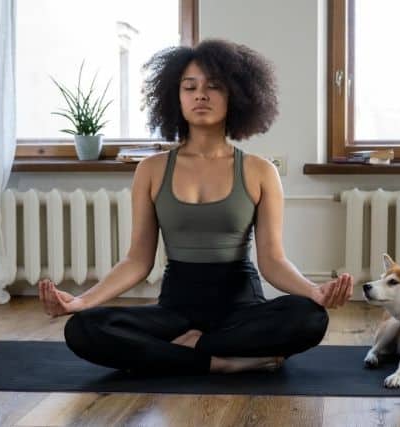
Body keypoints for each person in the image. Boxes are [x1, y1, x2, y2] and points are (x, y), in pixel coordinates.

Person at [38, 39, 354, 375]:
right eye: (190, 87)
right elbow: (137, 260)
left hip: (241, 310)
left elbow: (272, 261)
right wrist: (82, 301)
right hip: (175, 312)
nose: (200, 95)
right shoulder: (151, 169)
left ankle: (189, 352)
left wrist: (313, 292)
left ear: (236, 96)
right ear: (176, 98)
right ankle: (219, 361)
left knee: (309, 318)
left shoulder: (260, 171)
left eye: (213, 86)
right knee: (83, 329)